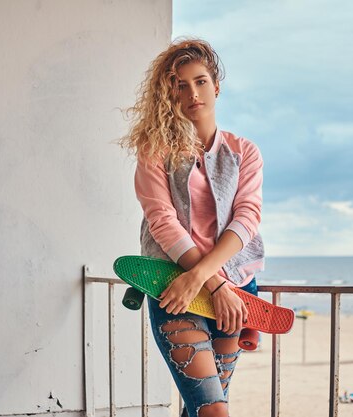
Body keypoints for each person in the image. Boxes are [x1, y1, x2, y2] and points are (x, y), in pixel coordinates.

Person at [120, 38, 265, 417]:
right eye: (180, 85)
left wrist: (211, 279)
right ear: (169, 94)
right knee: (213, 410)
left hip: (233, 291)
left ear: (216, 87)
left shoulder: (244, 152)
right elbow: (163, 222)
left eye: (200, 81)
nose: (193, 92)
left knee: (200, 408)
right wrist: (206, 282)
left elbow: (247, 217)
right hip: (174, 285)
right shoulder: (155, 150)